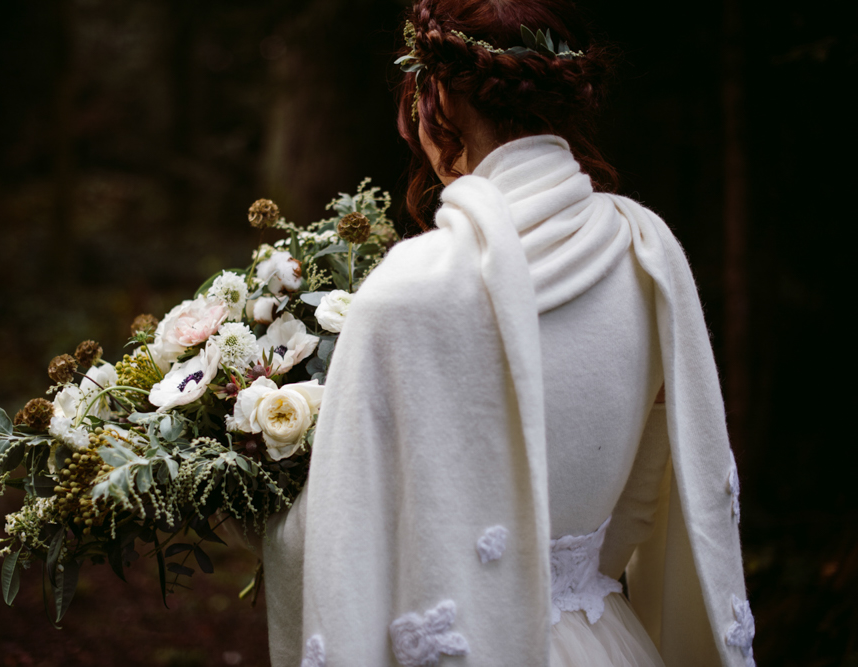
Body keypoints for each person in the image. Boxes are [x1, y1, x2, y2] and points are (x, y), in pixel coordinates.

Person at [261, 1, 755, 665]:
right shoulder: (647, 256)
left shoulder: (410, 289)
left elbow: (336, 542)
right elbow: (643, 497)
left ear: (436, 95)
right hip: (603, 639)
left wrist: (260, 503)